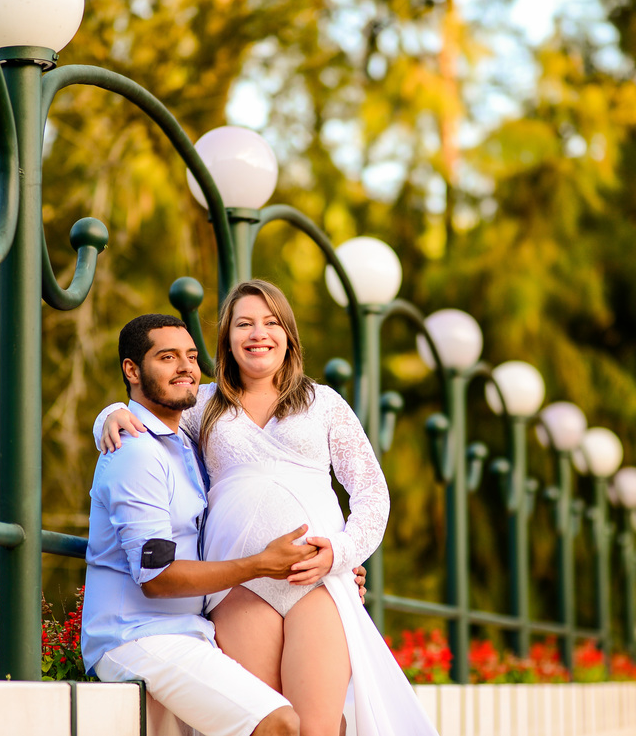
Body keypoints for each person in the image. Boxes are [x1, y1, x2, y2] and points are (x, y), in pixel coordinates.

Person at [94, 280, 440, 736]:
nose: (259, 333)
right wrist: (108, 413)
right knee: (267, 725)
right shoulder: (203, 403)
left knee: (317, 726)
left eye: (271, 322)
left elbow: (373, 494)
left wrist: (341, 552)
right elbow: (150, 416)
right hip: (240, 585)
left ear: (288, 335)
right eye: (244, 324)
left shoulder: (324, 404)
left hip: (312, 579)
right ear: (227, 340)